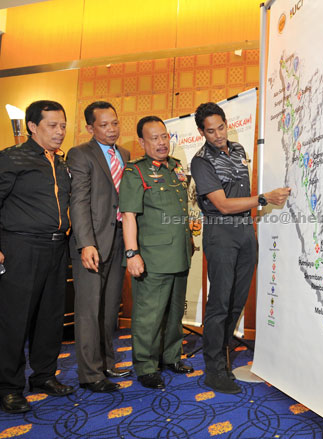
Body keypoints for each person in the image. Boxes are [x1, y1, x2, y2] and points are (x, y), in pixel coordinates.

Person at [0, 100, 74, 414]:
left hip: (57, 248)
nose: (60, 132)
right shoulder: (12, 158)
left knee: (50, 317)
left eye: (62, 125)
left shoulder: (60, 162)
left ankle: (44, 375)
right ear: (32, 127)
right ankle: (8, 387)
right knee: (15, 319)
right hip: (21, 247)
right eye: (52, 126)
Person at [190, 102, 290, 393]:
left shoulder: (239, 150)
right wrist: (263, 199)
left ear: (226, 123)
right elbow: (221, 204)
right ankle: (213, 370)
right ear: (201, 131)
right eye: (211, 131)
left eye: (221, 127)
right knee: (219, 303)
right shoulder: (201, 161)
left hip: (245, 232)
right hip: (220, 234)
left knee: (236, 301)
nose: (218, 135)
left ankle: (223, 354)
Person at [119, 115, 194, 389]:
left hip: (180, 254)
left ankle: (171, 357)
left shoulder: (175, 167)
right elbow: (128, 216)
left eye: (164, 137)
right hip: (152, 258)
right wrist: (131, 254)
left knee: (174, 313)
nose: (162, 143)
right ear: (142, 142)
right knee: (149, 315)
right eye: (154, 138)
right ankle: (146, 366)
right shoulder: (135, 172)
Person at [67, 101, 132, 393]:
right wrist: (86, 243)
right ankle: (90, 374)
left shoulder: (125, 154)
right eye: (104, 125)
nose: (111, 129)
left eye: (114, 123)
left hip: (119, 239)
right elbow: (78, 202)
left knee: (109, 309)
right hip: (92, 242)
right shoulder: (81, 154)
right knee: (89, 310)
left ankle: (107, 362)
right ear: (90, 127)